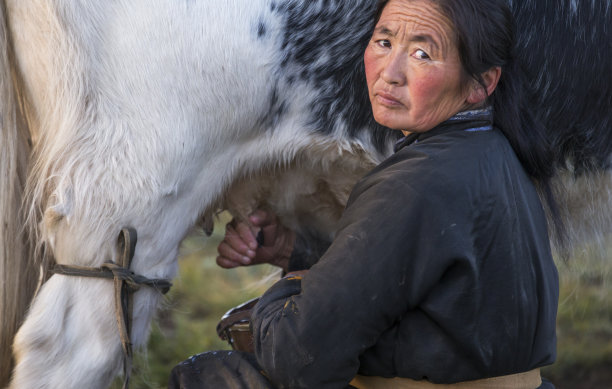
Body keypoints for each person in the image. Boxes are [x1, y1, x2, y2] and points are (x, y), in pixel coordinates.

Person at [170, 0, 559, 387]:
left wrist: (288, 289)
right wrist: (295, 253)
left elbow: (301, 360)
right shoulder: (495, 151)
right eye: (384, 42)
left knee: (202, 378)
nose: (390, 73)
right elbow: (427, 284)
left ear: (481, 83)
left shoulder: (416, 182)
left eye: (423, 54)